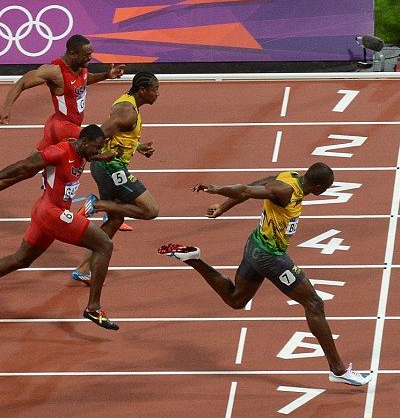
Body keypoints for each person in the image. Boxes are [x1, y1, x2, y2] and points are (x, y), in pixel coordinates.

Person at [158, 163, 373, 386]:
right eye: (327, 188)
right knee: (314, 303)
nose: (327, 191)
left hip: (254, 245)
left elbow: (252, 185)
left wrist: (222, 207)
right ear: (318, 187)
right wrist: (216, 189)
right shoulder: (286, 191)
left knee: (236, 299)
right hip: (270, 256)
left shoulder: (289, 175)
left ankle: (193, 259)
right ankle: (338, 369)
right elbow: (245, 190)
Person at [0, 125, 120, 330]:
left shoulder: (83, 151)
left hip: (44, 212)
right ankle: (93, 308)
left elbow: (89, 154)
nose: (98, 152)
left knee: (21, 259)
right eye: (97, 148)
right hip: (53, 214)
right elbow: (24, 166)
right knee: (104, 245)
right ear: (84, 142)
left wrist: (102, 157)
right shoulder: (59, 152)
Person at [0, 34, 124, 223]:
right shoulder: (55, 71)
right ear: (73, 54)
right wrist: (7, 107)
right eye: (87, 55)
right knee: (99, 145)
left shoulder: (81, 67)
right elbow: (23, 82)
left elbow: (83, 80)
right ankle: (110, 210)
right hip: (63, 128)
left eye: (91, 53)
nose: (91, 58)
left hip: (59, 127)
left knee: (27, 169)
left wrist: (106, 76)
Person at [71, 71, 161, 285]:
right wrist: (97, 157)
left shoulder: (129, 106)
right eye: (155, 90)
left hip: (108, 168)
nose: (157, 94)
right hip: (111, 169)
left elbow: (119, 135)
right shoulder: (127, 112)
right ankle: (97, 204)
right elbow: (97, 136)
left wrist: (137, 147)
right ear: (142, 90)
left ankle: (83, 269)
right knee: (151, 210)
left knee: (115, 219)